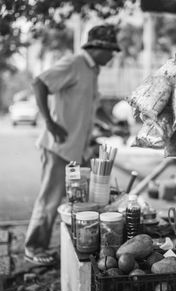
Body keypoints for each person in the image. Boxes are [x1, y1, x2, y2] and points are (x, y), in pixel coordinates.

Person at [24, 24, 121, 266]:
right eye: (111, 50)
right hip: (60, 147)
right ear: (98, 47)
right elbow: (39, 83)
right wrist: (49, 122)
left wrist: (110, 124)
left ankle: (83, 244)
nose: (113, 55)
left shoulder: (92, 71)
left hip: (79, 149)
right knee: (50, 200)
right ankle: (34, 248)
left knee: (88, 199)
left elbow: (92, 107)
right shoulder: (75, 63)